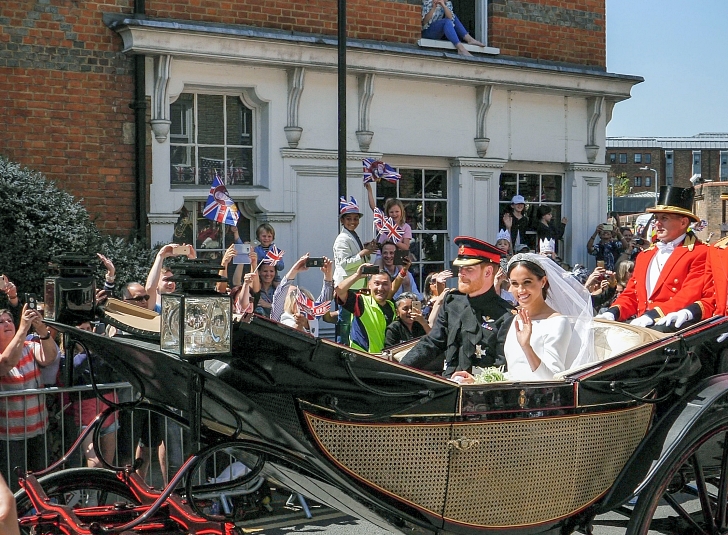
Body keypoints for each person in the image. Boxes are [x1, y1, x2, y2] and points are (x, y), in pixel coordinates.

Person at [597, 186, 715, 331]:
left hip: (675, 329)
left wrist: (652, 316)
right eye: (656, 218)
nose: (657, 224)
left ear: (683, 223)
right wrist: (613, 312)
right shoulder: (645, 255)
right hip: (642, 327)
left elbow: (689, 295)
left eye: (664, 218)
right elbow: (632, 294)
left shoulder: (700, 252)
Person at [400, 237, 515, 377]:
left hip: (481, 393)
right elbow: (432, 343)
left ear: (488, 272)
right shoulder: (452, 302)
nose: (461, 274)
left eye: (469, 269)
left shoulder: (505, 315)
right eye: (460, 268)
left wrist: (476, 381)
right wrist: (399, 368)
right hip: (448, 387)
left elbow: (503, 368)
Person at [0, 306, 59, 491]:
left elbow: (50, 356)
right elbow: (6, 363)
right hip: (9, 435)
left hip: (38, 429)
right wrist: (23, 328)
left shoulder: (29, 347)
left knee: (41, 483)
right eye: (0, 322)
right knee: (14, 487)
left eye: (9, 320)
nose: (7, 324)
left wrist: (41, 329)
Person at [333, 197, 376, 345]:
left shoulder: (352, 236)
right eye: (349, 219)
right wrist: (364, 252)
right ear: (342, 221)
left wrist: (366, 250)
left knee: (354, 323)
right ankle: (341, 349)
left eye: (356, 218)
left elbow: (358, 259)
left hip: (356, 287)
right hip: (347, 287)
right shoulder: (342, 239)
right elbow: (345, 264)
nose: (353, 222)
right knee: (345, 323)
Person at [334, 265, 396, 354]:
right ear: (369, 285)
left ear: (390, 286)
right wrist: (357, 275)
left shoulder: (392, 306)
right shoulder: (361, 302)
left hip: (385, 360)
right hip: (363, 359)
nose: (380, 288)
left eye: (385, 284)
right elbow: (339, 291)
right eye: (377, 283)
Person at [271, 254, 334, 337]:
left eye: (307, 301)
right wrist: (295, 269)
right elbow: (280, 292)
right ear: (289, 303)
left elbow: (325, 300)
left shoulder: (312, 317)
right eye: (299, 300)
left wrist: (328, 274)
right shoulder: (279, 317)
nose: (304, 305)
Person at [365, 183, 412, 252]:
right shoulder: (385, 222)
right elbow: (373, 207)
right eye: (391, 212)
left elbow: (406, 247)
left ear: (402, 212)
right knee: (377, 262)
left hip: (397, 257)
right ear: (387, 213)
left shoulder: (406, 227)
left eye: (397, 211)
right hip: (381, 254)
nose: (394, 214)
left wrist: (392, 241)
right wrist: (369, 190)